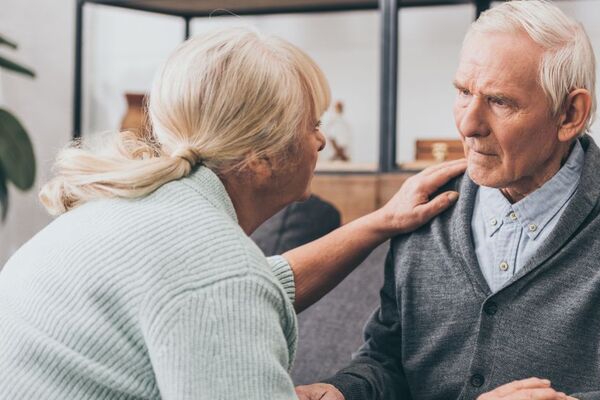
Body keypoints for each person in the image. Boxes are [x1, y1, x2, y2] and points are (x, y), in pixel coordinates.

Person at [0, 27, 466, 399]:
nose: (321, 142)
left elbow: (256, 282)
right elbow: (226, 287)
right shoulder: (216, 274)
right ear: (260, 157)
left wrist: (381, 221)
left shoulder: (135, 211)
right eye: (312, 125)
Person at [296, 1, 600, 400]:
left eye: (499, 101)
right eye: (463, 91)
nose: (467, 124)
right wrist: (344, 390)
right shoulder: (424, 209)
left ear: (570, 114)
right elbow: (387, 361)